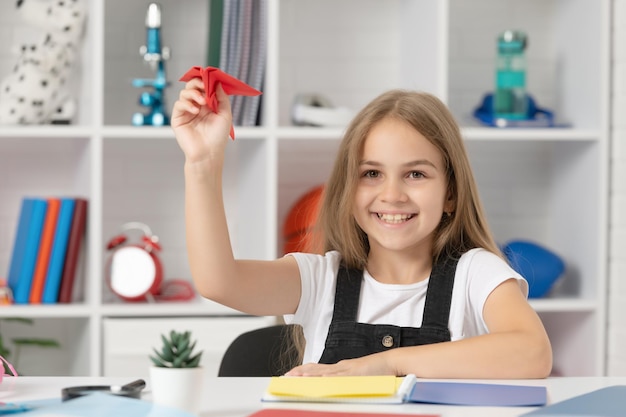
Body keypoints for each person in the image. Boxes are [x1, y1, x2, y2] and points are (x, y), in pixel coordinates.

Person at [171, 80, 553, 379]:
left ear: (450, 193)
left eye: (415, 174)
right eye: (371, 174)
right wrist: (202, 163)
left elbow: (533, 352)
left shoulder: (476, 274)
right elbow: (218, 282)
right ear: (348, 189)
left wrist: (387, 364)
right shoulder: (321, 279)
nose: (392, 194)